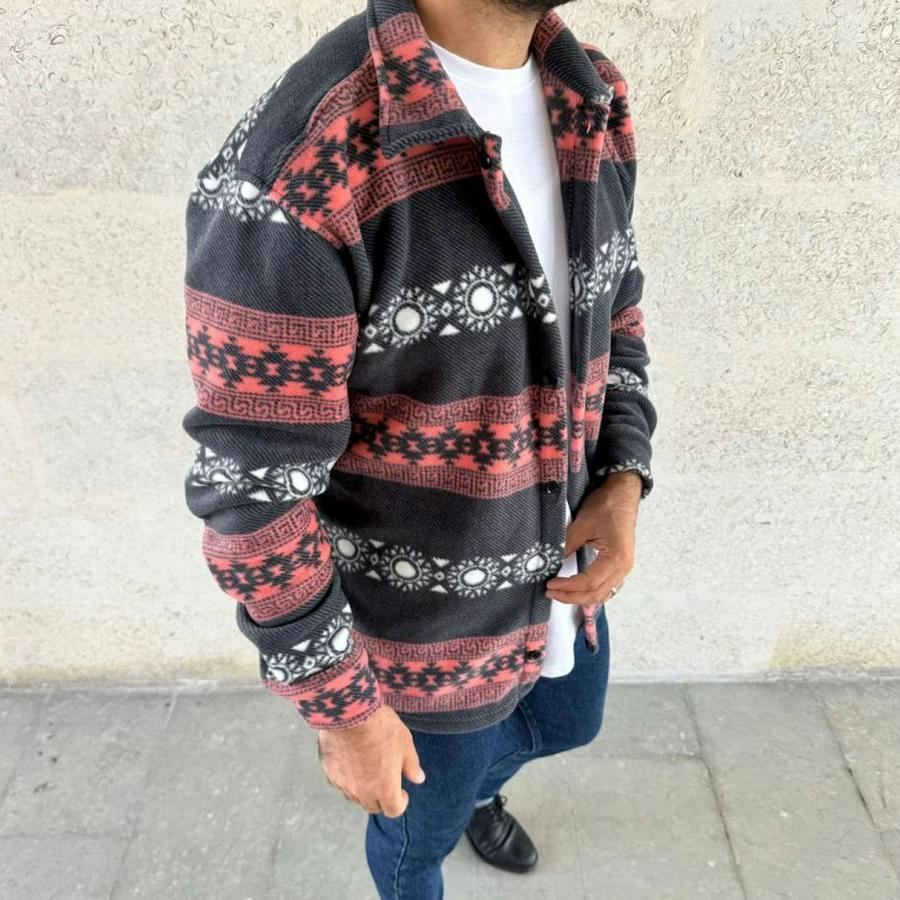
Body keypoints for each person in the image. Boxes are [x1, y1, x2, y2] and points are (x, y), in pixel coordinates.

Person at [180, 0, 657, 895]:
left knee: (568, 724)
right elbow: (252, 496)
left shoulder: (591, 94)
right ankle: (439, 823)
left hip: (559, 583)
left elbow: (615, 303)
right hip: (424, 653)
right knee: (412, 846)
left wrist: (624, 474)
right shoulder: (299, 175)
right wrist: (346, 714)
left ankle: (475, 790)